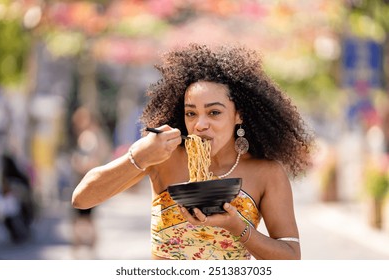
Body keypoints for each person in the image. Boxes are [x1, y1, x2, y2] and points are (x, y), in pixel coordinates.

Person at [72, 44, 314, 260]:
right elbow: (82, 199)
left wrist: (237, 227)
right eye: (191, 113)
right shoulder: (162, 157)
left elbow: (291, 257)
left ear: (239, 114)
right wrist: (138, 157)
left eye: (214, 112)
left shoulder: (266, 173)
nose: (200, 124)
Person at [70, 106, 112, 259]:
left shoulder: (89, 136)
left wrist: (78, 164)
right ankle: (88, 246)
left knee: (80, 214)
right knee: (86, 216)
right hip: (92, 179)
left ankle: (79, 246)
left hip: (85, 179)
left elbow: (92, 160)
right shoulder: (98, 135)